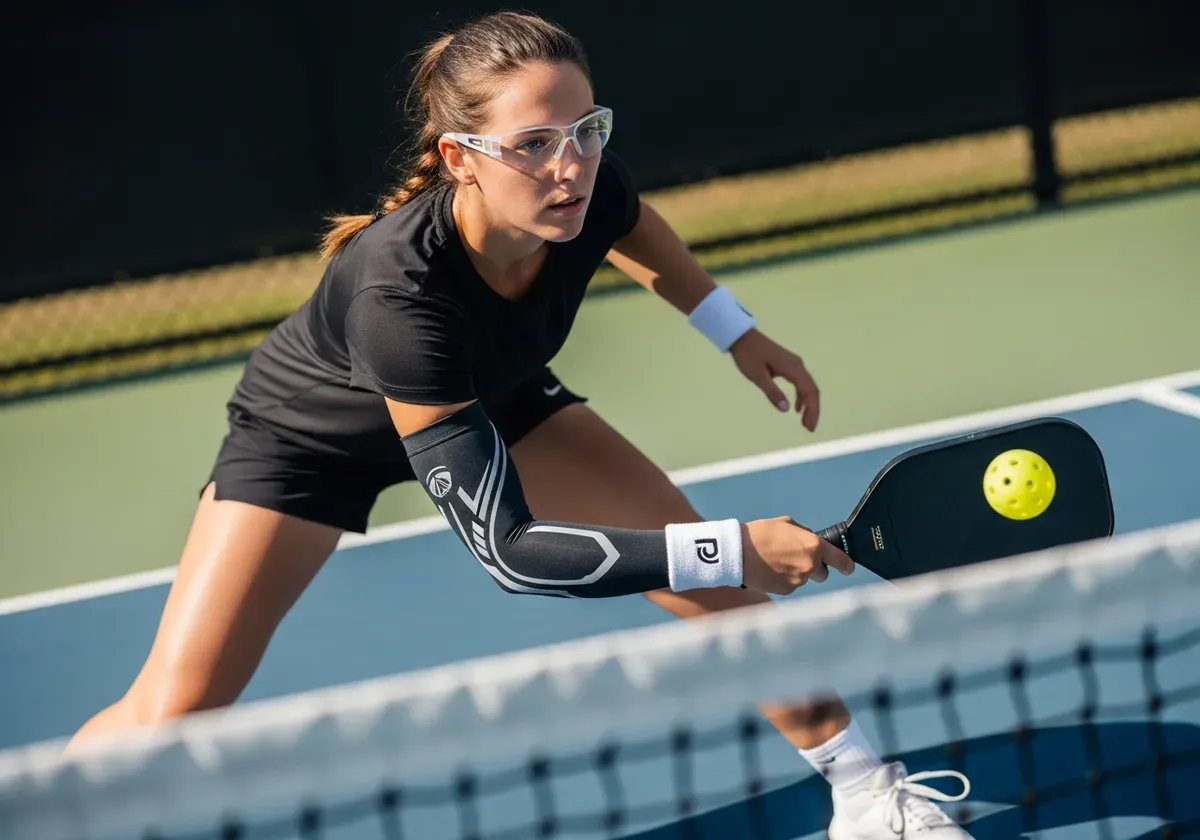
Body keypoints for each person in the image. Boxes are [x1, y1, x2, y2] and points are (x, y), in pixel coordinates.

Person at [67, 11, 973, 838]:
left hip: (492, 398)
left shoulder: (579, 194)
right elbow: (512, 554)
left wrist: (734, 331)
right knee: (175, 711)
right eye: (532, 144)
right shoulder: (400, 296)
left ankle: (864, 793)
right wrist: (732, 546)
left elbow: (634, 222)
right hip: (309, 446)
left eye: (586, 132)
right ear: (461, 157)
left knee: (707, 584)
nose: (570, 165)